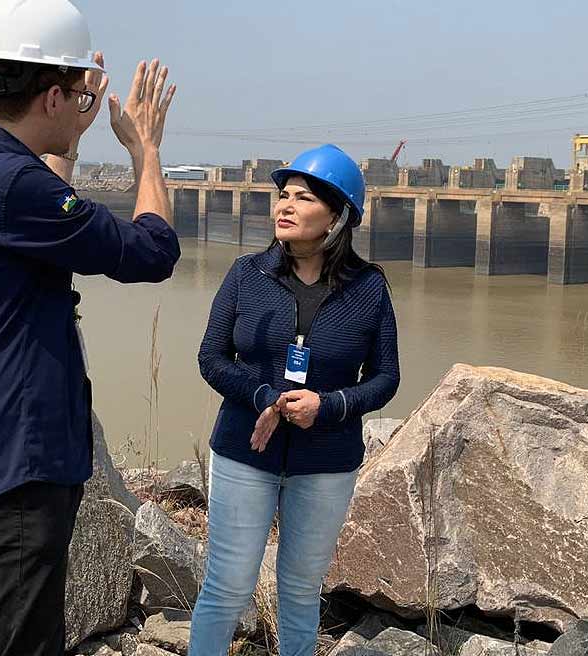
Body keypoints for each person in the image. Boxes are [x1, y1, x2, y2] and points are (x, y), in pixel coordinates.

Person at [0, 1, 179, 654]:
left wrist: (73, 140)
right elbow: (153, 251)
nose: (93, 99)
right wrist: (146, 151)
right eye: (82, 91)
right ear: (55, 95)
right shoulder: (12, 188)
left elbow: (49, 224)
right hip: (18, 472)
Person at [190, 145, 400, 656]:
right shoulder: (247, 275)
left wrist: (327, 407)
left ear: (338, 216)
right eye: (282, 195)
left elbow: (385, 378)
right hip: (245, 452)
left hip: (326, 462)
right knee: (226, 589)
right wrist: (263, 395)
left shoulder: (369, 288)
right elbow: (211, 358)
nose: (284, 205)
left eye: (302, 198)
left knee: (302, 594)